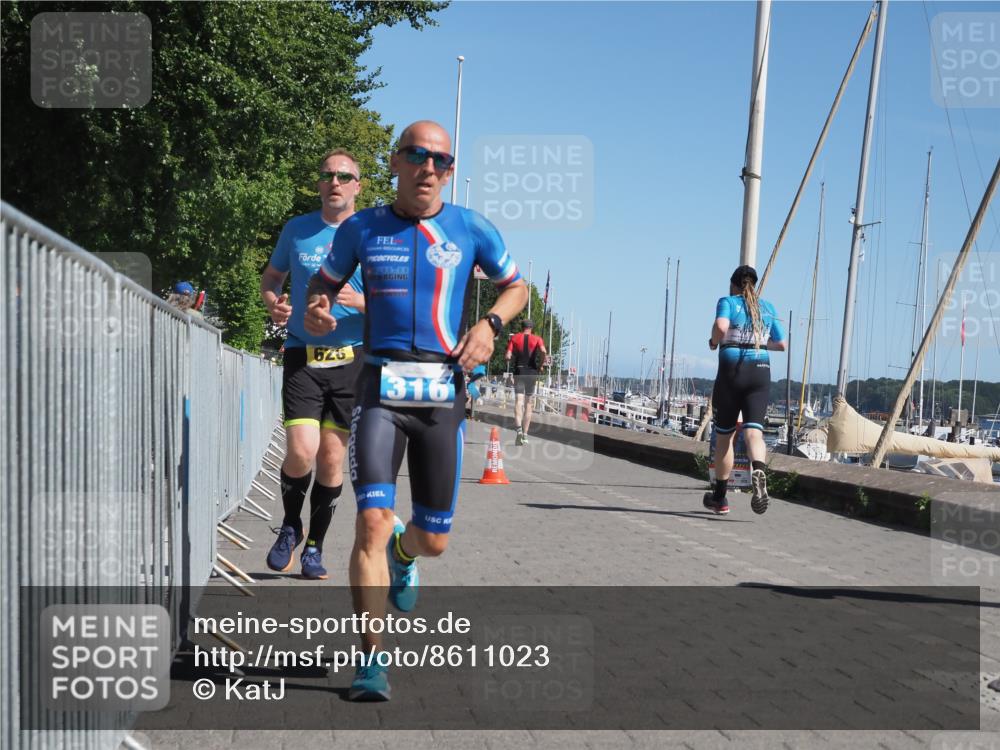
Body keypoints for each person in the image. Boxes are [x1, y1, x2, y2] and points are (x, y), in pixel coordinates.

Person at [303, 120, 528, 701]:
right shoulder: (362, 228)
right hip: (378, 390)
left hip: (441, 396)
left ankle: (406, 555)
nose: (429, 168)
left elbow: (517, 287)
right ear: (396, 162)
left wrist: (490, 324)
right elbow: (321, 286)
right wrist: (318, 312)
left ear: (450, 171)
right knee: (371, 523)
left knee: (433, 540)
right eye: (417, 155)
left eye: (441, 160)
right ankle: (371, 660)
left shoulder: (470, 227)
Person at [259, 149, 366, 580]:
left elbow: (397, 299)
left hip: (351, 361)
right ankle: (291, 525)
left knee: (331, 460)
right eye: (327, 175)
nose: (335, 182)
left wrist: (361, 300)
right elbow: (272, 278)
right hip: (303, 354)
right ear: (319, 184)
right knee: (301, 451)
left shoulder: (370, 235)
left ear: (358, 186)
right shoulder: (297, 229)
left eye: (344, 176)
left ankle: (315, 547)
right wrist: (273, 303)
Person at [706, 265, 786, 515]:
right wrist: (757, 343)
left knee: (725, 437)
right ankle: (758, 470)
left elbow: (721, 327)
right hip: (760, 371)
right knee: (754, 433)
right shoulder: (768, 308)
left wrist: (713, 342)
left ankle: (720, 498)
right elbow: (781, 344)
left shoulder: (728, 302)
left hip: (732, 372)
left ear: (733, 285)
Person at [505, 319, 548, 445]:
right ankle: (525, 434)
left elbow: (508, 355)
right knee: (529, 404)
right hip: (532, 372)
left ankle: (518, 429)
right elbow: (543, 351)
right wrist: (541, 364)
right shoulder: (537, 339)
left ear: (522, 327)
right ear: (531, 328)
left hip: (519, 371)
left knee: (518, 401)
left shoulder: (514, 338)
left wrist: (508, 359)